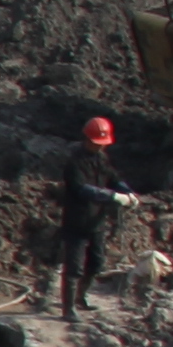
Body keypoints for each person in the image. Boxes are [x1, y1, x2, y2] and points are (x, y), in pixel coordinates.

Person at [53, 115, 142, 320]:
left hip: (96, 222)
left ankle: (81, 297)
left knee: (96, 263)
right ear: (88, 140)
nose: (100, 147)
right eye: (97, 143)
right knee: (74, 266)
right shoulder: (75, 164)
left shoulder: (101, 159)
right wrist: (113, 197)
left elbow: (114, 179)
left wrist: (128, 193)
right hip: (77, 222)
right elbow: (84, 190)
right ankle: (68, 309)